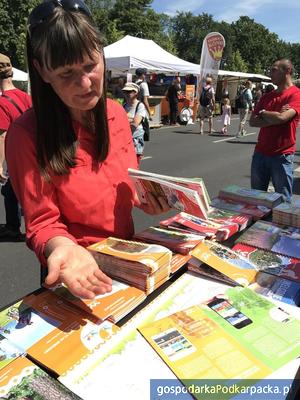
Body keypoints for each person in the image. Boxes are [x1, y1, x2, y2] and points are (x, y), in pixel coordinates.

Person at [5, 0, 169, 300]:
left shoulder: (116, 113)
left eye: (90, 66)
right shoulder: (26, 135)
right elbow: (42, 222)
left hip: (127, 255)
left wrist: (145, 198)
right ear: (43, 70)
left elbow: (124, 182)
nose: (85, 84)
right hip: (76, 270)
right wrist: (64, 247)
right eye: (66, 73)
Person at [249, 58, 300, 202]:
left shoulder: (296, 94)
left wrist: (264, 113)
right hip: (260, 154)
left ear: (287, 71)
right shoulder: (267, 97)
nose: (270, 73)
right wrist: (276, 116)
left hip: (282, 156)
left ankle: (281, 226)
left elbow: (282, 119)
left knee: (283, 201)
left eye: (274, 70)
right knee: (257, 199)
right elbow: (252, 121)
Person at [0, 53, 32, 240]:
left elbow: (2, 136)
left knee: (10, 191)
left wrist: (0, 165)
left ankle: (14, 228)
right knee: (21, 191)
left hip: (15, 156)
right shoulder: (25, 97)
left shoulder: (2, 102)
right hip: (30, 152)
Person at [122, 82, 146, 164]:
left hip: (135, 138)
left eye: (129, 92)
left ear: (136, 92)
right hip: (124, 138)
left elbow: (135, 123)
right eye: (125, 92)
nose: (127, 94)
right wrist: (130, 119)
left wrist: (126, 120)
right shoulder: (124, 105)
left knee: (134, 163)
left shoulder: (140, 105)